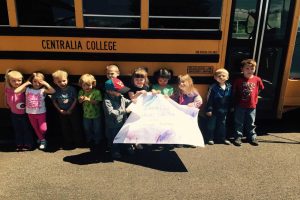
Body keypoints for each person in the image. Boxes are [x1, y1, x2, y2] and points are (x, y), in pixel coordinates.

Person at [14, 72, 55, 150]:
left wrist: (45, 83)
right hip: (30, 113)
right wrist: (26, 83)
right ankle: (42, 140)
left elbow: (53, 91)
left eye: (39, 82)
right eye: (35, 82)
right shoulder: (27, 89)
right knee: (35, 128)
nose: (37, 84)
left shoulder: (43, 90)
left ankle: (41, 137)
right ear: (31, 82)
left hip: (41, 113)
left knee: (43, 129)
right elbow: (16, 91)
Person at [232, 59, 264, 146]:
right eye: (247, 68)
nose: (250, 71)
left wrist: (254, 97)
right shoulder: (238, 80)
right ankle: (238, 137)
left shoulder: (257, 79)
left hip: (252, 105)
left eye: (252, 69)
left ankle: (252, 137)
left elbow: (260, 88)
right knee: (239, 122)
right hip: (240, 105)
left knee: (251, 122)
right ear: (242, 69)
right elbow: (234, 92)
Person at [51, 70, 83, 149]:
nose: (62, 83)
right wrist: (59, 110)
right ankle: (68, 141)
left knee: (76, 126)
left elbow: (75, 99)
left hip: (72, 111)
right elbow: (54, 101)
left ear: (67, 80)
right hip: (62, 111)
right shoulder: (55, 90)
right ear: (55, 82)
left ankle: (78, 141)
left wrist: (70, 109)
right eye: (59, 82)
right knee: (65, 127)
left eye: (64, 81)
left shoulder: (72, 89)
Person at [4, 69, 34, 151]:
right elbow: (6, 95)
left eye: (19, 80)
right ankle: (19, 143)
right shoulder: (8, 88)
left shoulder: (22, 89)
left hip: (24, 114)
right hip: (14, 113)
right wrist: (5, 102)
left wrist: (31, 77)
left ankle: (28, 143)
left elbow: (27, 83)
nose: (17, 82)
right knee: (17, 129)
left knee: (26, 129)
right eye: (13, 81)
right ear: (9, 81)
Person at [102, 78, 132, 159]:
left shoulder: (121, 97)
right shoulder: (106, 101)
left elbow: (128, 102)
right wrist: (124, 111)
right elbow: (111, 112)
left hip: (122, 122)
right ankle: (114, 151)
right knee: (114, 138)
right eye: (119, 91)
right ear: (109, 91)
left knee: (124, 135)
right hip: (113, 124)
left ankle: (126, 147)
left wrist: (134, 101)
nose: (121, 92)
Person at [171, 74, 202, 148]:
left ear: (189, 83)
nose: (181, 84)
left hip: (190, 115)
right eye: (179, 83)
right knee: (181, 127)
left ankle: (192, 141)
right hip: (181, 114)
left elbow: (199, 101)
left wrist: (194, 104)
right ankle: (181, 141)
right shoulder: (178, 92)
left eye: (183, 82)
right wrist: (167, 98)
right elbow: (173, 99)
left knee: (191, 128)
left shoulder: (194, 92)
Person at [205, 69, 232, 145]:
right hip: (214, 110)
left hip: (224, 110)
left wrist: (231, 107)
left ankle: (222, 138)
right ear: (215, 77)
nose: (221, 77)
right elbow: (209, 99)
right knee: (211, 125)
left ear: (227, 77)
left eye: (223, 76)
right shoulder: (213, 87)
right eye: (219, 76)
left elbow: (231, 98)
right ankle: (210, 138)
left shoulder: (229, 87)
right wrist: (209, 109)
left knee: (222, 125)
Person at [78, 74, 103, 152]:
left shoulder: (96, 92)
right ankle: (89, 139)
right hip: (86, 115)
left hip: (96, 115)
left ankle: (97, 140)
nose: (86, 87)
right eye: (84, 85)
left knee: (97, 129)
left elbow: (98, 102)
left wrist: (89, 99)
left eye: (89, 85)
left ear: (93, 84)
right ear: (81, 85)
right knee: (87, 128)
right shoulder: (81, 92)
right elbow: (79, 101)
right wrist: (81, 99)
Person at [127, 67, 150, 149]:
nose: (139, 81)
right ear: (133, 80)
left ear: (145, 80)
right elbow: (132, 98)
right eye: (137, 80)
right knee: (134, 126)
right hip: (134, 111)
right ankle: (135, 142)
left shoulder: (146, 87)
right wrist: (139, 93)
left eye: (141, 79)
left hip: (143, 110)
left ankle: (143, 139)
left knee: (142, 125)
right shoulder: (131, 88)